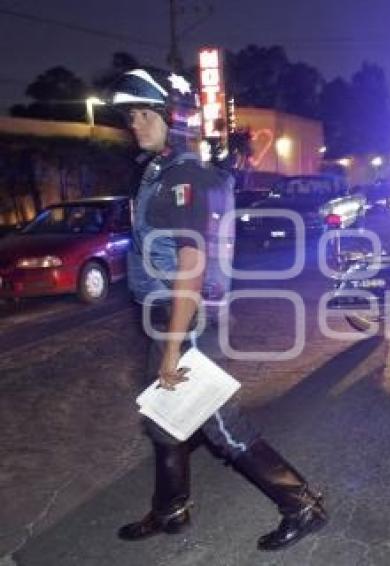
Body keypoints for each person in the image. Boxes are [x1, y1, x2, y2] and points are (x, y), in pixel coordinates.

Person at [109, 67, 327, 551]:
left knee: (221, 424)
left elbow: (191, 264)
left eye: (146, 114)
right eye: (132, 116)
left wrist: (171, 349)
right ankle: (170, 509)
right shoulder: (160, 171)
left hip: (183, 317)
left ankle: (301, 504)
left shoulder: (184, 177)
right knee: (164, 416)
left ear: (174, 118)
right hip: (164, 313)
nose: (135, 124)